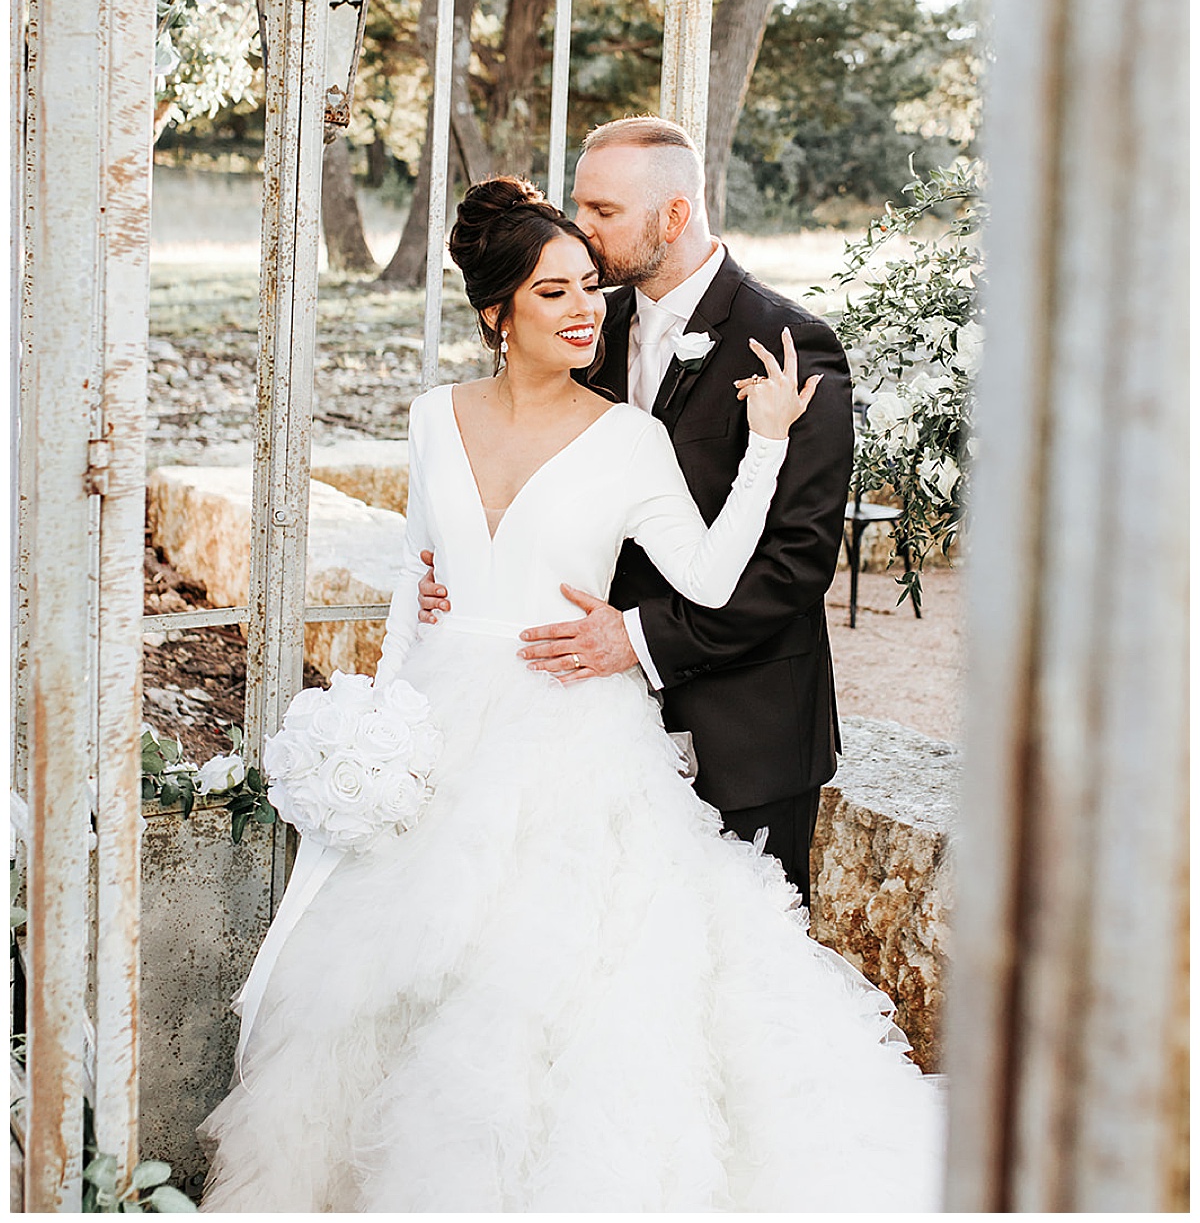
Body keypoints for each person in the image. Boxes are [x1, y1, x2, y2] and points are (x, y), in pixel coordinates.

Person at [200, 178, 941, 1212]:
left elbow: (718, 576)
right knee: (390, 978)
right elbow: (421, 577)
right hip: (441, 726)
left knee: (541, 986)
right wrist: (383, 720)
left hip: (573, 736)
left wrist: (766, 442)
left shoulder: (628, 438)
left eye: (592, 285)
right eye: (556, 292)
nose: (589, 307)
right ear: (499, 313)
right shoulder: (428, 418)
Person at [419, 117, 852, 904]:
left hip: (744, 735)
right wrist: (457, 576)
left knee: (735, 970)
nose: (580, 228)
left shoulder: (789, 341)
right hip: (584, 735)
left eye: (602, 211)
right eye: (579, 205)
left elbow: (796, 563)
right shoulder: (585, 324)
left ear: (674, 217)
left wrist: (637, 638)